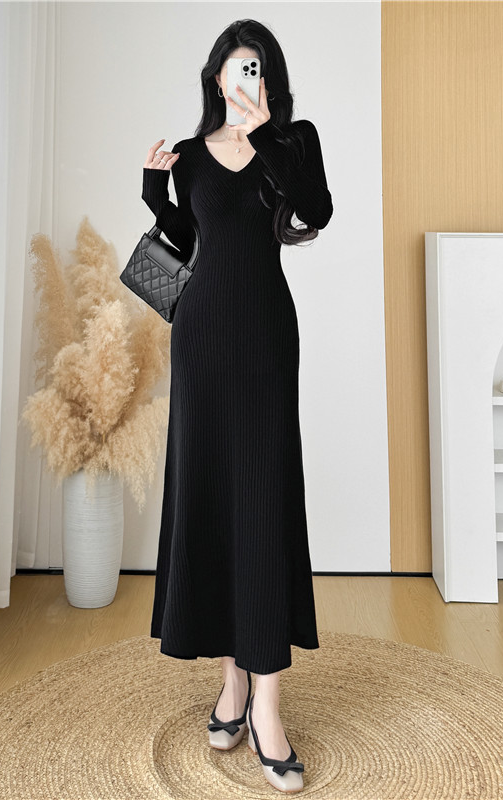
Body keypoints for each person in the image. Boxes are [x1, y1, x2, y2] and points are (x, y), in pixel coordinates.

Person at [141, 18, 332, 794]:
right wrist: (157, 198)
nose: (245, 76)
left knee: (264, 502)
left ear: (269, 79)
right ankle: (231, 684)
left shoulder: (294, 143)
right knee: (216, 500)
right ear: (216, 75)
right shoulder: (190, 156)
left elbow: (315, 213)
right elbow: (189, 246)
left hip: (264, 337)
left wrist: (269, 144)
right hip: (201, 338)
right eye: (235, 65)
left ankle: (268, 707)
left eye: (258, 67)